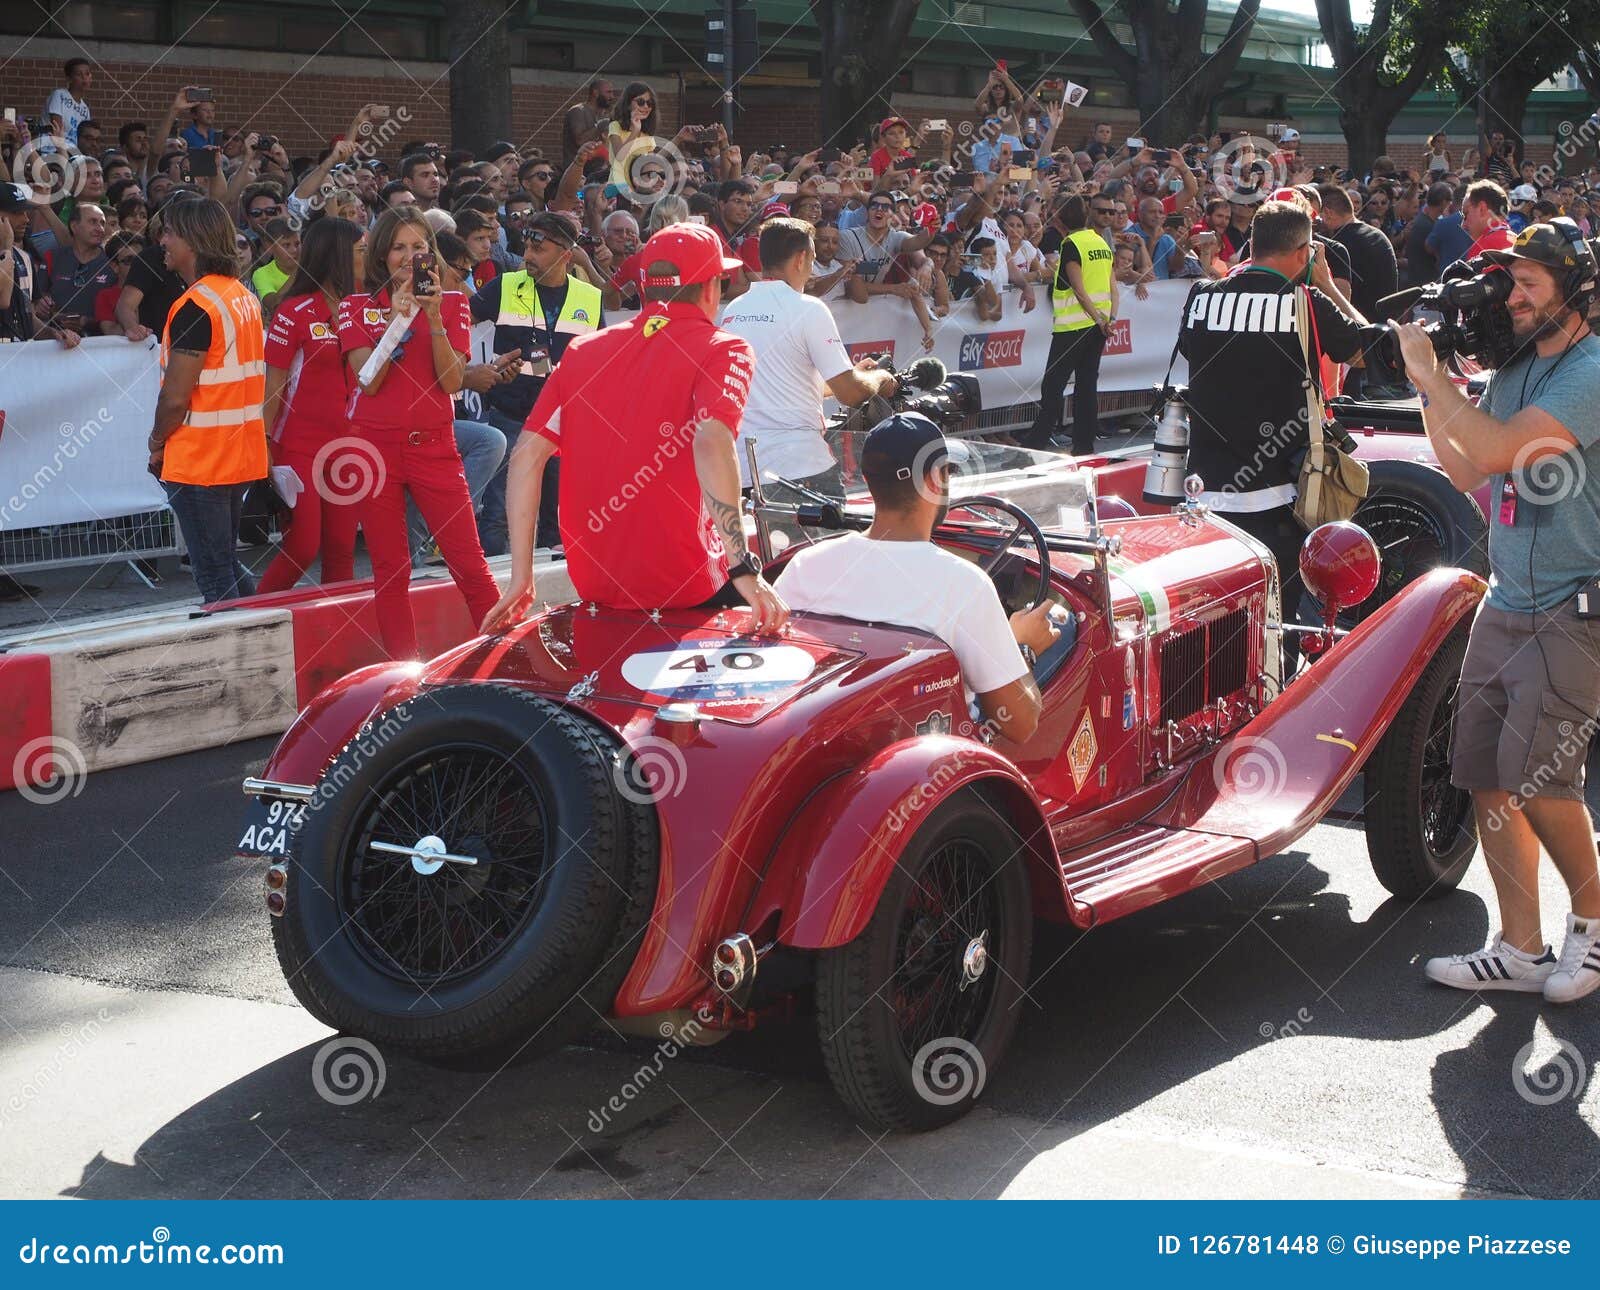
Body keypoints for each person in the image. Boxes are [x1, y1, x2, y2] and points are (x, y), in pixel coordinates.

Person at [1395, 221, 1600, 1004]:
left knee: (1544, 781)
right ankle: (1520, 949)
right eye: (1509, 282)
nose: (1511, 299)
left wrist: (1431, 372)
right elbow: (1459, 461)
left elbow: (1492, 451)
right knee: (1484, 775)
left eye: (1530, 286)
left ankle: (1594, 924)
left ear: (1573, 293)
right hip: (1508, 597)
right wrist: (1430, 381)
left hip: (1572, 609)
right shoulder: (1516, 369)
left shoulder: (1589, 370)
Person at [481, 222, 786, 633]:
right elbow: (712, 441)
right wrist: (742, 565)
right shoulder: (725, 347)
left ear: (644, 284)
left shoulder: (583, 350)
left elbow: (526, 455)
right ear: (713, 287)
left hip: (593, 581)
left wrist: (522, 576)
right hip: (690, 582)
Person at [775, 414, 1059, 745]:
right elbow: (1020, 724)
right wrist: (1023, 647)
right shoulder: (964, 584)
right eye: (948, 471)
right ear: (935, 481)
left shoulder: (805, 565)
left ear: (868, 481)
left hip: (827, 747)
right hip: (930, 764)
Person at [1175, 201, 1372, 671]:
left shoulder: (1202, 295)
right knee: (1271, 625)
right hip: (1278, 494)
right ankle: (1266, 709)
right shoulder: (1305, 302)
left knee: (1208, 622)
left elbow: (1190, 350)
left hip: (1204, 492)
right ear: (1304, 251)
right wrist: (1325, 284)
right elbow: (1366, 349)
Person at [337, 206, 501, 659]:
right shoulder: (355, 307)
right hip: (375, 451)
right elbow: (368, 380)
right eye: (399, 248)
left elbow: (451, 381)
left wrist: (429, 319)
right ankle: (402, 677)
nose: (410, 257)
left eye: (419, 247)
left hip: (435, 447)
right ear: (381, 254)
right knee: (391, 570)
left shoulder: (453, 304)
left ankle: (506, 660)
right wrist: (397, 318)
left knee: (469, 564)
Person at [716, 217, 898, 498]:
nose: (813, 268)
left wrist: (854, 373)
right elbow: (850, 394)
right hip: (801, 470)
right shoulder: (809, 308)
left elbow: (780, 384)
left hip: (744, 471)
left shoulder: (732, 310)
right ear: (801, 259)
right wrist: (879, 377)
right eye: (813, 258)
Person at [146, 198, 267, 606]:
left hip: (202, 460)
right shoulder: (241, 295)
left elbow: (175, 396)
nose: (162, 241)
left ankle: (249, 660)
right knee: (226, 565)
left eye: (169, 232)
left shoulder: (197, 305)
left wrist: (156, 441)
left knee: (215, 574)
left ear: (192, 240)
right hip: (239, 453)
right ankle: (265, 648)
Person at [469, 211, 603, 556]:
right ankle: (494, 598)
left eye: (538, 248)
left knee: (555, 520)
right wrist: (473, 370)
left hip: (561, 425)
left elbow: (602, 362)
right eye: (526, 245)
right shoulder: (505, 285)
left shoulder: (590, 297)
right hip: (509, 418)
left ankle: (555, 600)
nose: (527, 255)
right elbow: (458, 321)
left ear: (565, 255)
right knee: (498, 513)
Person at [255, 217, 366, 594]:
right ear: (337, 256)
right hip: (297, 446)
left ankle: (342, 644)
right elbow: (273, 387)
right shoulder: (294, 310)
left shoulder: (366, 308)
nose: (367, 258)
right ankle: (255, 624)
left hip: (349, 447)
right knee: (303, 547)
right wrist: (263, 447)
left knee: (342, 551)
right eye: (360, 252)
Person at [1020, 196, 1115, 456]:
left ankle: (1037, 442)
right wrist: (1109, 320)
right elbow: (1112, 286)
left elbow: (1078, 288)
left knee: (1053, 386)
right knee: (1087, 385)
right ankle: (1084, 444)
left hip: (1074, 327)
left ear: (1060, 219)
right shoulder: (1100, 242)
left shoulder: (1072, 244)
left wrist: (1096, 318)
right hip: (1098, 327)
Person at [1404, 182, 1450, 287]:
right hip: (1425, 282)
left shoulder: (1421, 221)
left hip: (1416, 279)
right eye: (1449, 202)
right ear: (1443, 202)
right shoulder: (1429, 226)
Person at [42, 58, 93, 153]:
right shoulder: (59, 95)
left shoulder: (85, 109)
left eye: (87, 74)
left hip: (74, 154)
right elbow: (56, 129)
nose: (84, 78)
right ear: (69, 79)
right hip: (52, 150)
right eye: (79, 74)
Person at [563, 78, 616, 168]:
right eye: (608, 92)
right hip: (578, 172)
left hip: (599, 171)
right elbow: (579, 141)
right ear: (595, 93)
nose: (612, 97)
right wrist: (600, 125)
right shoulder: (578, 111)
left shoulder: (605, 114)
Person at [1462, 179, 1514, 259]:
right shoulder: (1517, 241)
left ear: (1482, 209)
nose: (1463, 225)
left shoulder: (1482, 248)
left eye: (1466, 214)